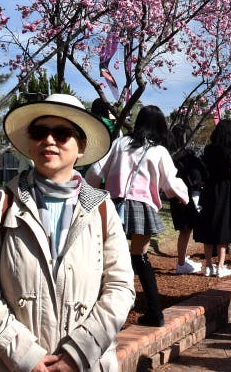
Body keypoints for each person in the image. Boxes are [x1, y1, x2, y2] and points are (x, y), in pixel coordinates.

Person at [0, 93, 135, 372]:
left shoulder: (102, 209)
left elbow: (120, 288)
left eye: (62, 133)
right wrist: (25, 356)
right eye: (39, 131)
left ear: (81, 146)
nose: (49, 140)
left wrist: (78, 353)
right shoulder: (1, 202)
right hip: (6, 363)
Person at [85, 105, 188, 327]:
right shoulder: (159, 151)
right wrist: (184, 197)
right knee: (140, 258)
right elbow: (171, 183)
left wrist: (87, 193)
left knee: (108, 260)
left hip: (114, 207)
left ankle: (105, 314)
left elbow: (95, 170)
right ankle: (155, 312)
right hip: (142, 209)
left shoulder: (120, 144)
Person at [193, 120, 231, 277]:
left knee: (208, 225)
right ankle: (220, 266)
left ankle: (208, 266)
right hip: (225, 191)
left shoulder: (209, 149)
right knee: (223, 227)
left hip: (209, 190)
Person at [168, 122, 206, 275]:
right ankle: (181, 263)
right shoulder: (185, 156)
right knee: (186, 229)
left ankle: (182, 259)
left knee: (186, 229)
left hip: (176, 196)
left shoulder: (170, 155)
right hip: (185, 196)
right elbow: (198, 175)